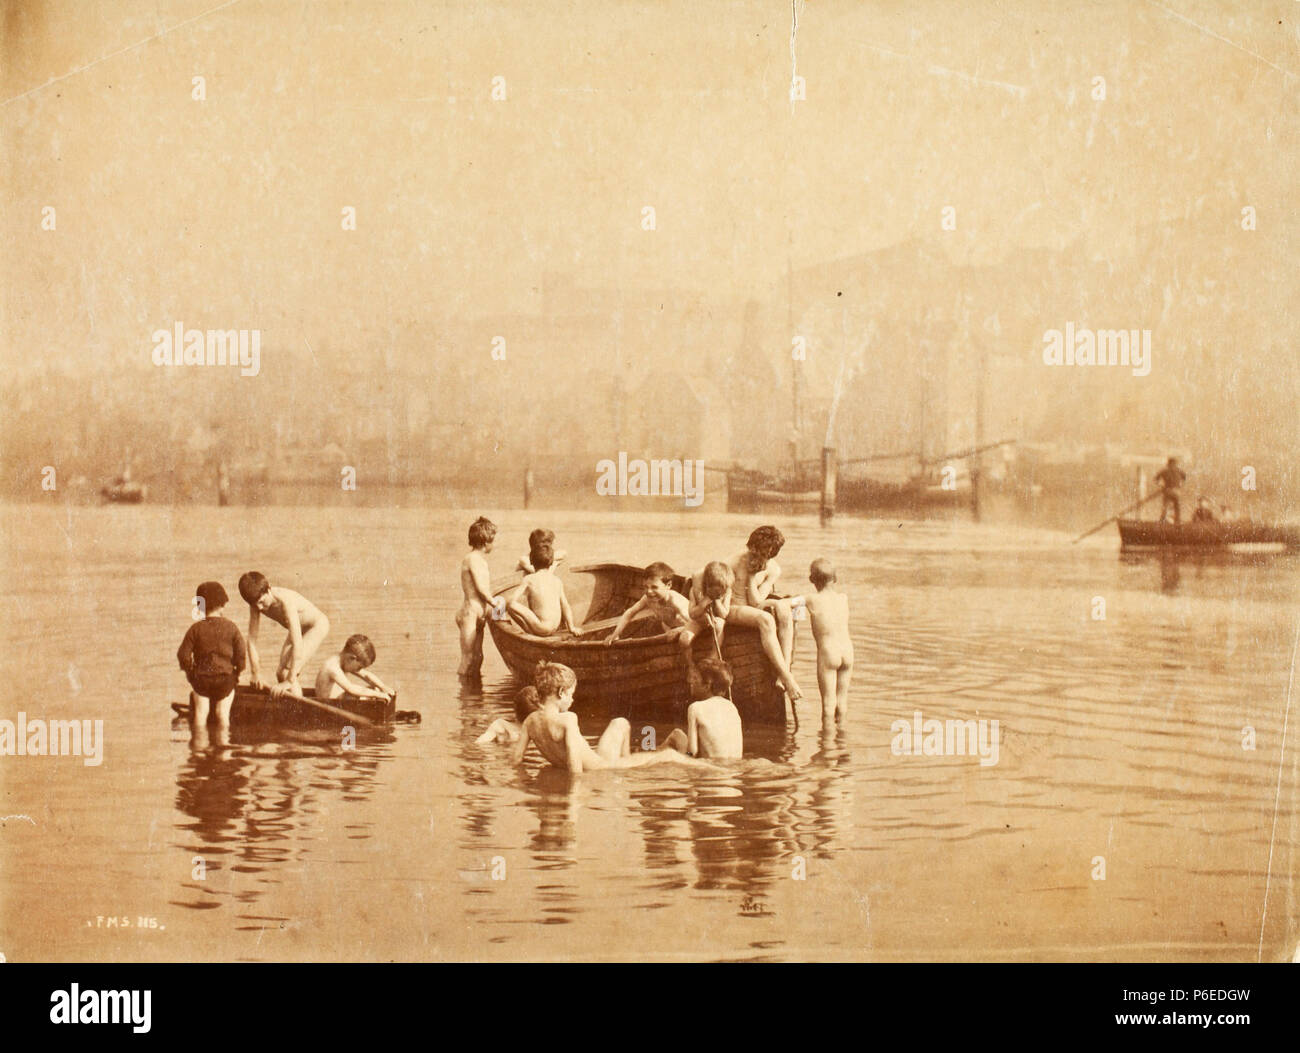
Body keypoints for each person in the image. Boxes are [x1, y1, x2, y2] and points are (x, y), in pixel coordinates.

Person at [510, 662, 704, 773]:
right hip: (603, 769)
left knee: (620, 723)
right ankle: (719, 770)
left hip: (598, 761)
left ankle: (631, 762)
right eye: (571, 694)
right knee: (668, 755)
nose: (572, 699)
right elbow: (575, 769)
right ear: (561, 692)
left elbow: (516, 759)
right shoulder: (568, 719)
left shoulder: (530, 721)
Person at [688, 560, 802, 702]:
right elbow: (693, 613)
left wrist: (716, 601)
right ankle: (689, 666)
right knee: (686, 639)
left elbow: (725, 612)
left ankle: (784, 674)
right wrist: (705, 601)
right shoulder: (734, 562)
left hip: (719, 619)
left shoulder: (727, 590)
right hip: (703, 620)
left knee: (719, 626)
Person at [238, 571, 330, 695]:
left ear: (268, 590)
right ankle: (294, 707)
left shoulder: (286, 601)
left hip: (317, 626)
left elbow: (297, 643)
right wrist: (255, 672)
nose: (259, 607)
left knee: (287, 674)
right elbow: (252, 640)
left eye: (261, 601)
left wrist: (290, 680)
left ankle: (300, 712)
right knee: (280, 673)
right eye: (255, 604)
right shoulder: (255, 603)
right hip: (299, 628)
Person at [177, 581, 247, 726]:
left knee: (201, 714)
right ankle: (224, 747)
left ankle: (198, 747)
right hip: (225, 680)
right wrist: (237, 673)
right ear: (223, 604)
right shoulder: (231, 627)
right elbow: (241, 655)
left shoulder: (195, 629)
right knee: (222, 714)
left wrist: (191, 674)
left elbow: (183, 655)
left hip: (201, 679)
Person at [729, 526, 796, 671]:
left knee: (784, 609)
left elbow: (756, 602)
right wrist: (751, 575)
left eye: (767, 553)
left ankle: (785, 665)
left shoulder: (773, 569)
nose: (754, 554)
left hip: (753, 607)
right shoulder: (735, 561)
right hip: (734, 609)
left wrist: (752, 576)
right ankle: (785, 675)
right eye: (754, 550)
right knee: (767, 619)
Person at [660, 657, 743, 759]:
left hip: (709, 768)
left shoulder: (695, 708)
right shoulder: (732, 707)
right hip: (733, 769)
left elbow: (692, 752)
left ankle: (652, 755)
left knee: (676, 735)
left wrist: (676, 756)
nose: (691, 682)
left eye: (695, 678)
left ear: (707, 686)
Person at [804, 558, 853, 726]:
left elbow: (787, 604)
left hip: (828, 653)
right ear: (835, 579)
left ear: (811, 579)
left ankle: (827, 745)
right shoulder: (843, 598)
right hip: (847, 652)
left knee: (827, 703)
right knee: (842, 700)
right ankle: (842, 739)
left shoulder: (811, 599)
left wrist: (767, 602)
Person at [506, 539, 582, 637]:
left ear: (531, 562)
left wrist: (499, 607)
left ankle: (528, 632)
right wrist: (571, 627)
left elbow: (512, 600)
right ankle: (531, 632)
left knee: (509, 603)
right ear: (550, 563)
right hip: (555, 626)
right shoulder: (557, 580)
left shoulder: (529, 579)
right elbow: (565, 605)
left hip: (542, 628)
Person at [605, 562, 692, 646]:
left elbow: (696, 622)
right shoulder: (647, 599)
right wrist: (615, 634)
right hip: (670, 628)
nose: (649, 591)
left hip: (687, 627)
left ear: (668, 585)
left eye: (654, 587)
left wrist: (679, 630)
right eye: (645, 587)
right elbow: (629, 613)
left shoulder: (674, 600)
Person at [457, 516, 500, 676]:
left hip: (479, 614)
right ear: (485, 541)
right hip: (469, 613)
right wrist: (496, 604)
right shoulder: (472, 559)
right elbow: (481, 588)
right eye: (492, 541)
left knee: (478, 658)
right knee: (468, 658)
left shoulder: (481, 560)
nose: (494, 545)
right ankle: (464, 696)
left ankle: (473, 696)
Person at [315, 634, 392, 701]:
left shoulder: (345, 660)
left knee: (373, 689)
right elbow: (350, 688)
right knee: (369, 693)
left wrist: (382, 687)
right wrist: (378, 694)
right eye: (359, 667)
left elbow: (366, 675)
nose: (359, 670)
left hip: (339, 701)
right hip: (329, 706)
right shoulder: (332, 667)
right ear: (352, 658)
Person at [1154, 456, 1187, 524]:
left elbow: (1155, 479)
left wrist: (1161, 485)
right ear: (1175, 464)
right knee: (1177, 507)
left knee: (1165, 505)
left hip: (1167, 491)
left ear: (1168, 464)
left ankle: (1162, 520)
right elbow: (1184, 478)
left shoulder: (1164, 471)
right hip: (1176, 491)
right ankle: (1177, 521)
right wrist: (1181, 484)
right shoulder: (1179, 470)